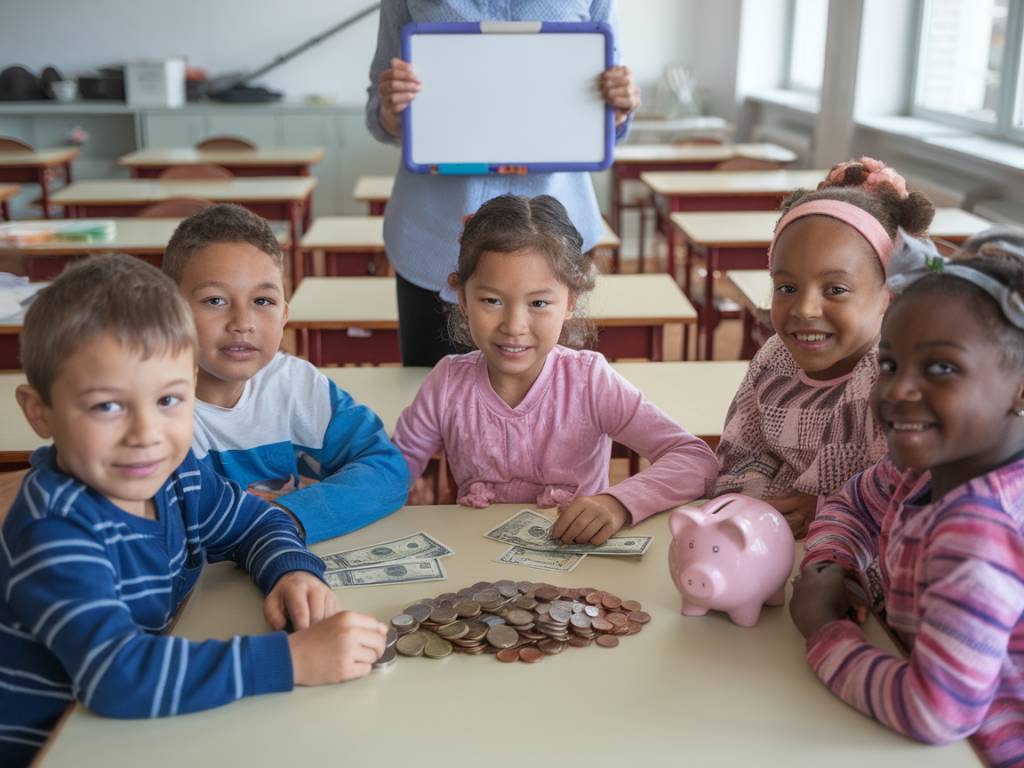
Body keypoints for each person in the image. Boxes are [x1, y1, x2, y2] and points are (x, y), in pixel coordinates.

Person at [0, 255, 387, 766]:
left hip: (140, 727)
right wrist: (291, 660)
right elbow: (117, 676)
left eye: (169, 400)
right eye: (107, 406)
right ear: (39, 412)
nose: (146, 435)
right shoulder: (55, 529)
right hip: (54, 746)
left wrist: (289, 571)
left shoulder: (175, 472)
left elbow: (256, 521)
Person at [790, 228, 1024, 766]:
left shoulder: (979, 531)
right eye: (890, 365)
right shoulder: (925, 469)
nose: (897, 390)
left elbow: (934, 711)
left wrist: (822, 628)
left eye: (941, 368)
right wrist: (833, 562)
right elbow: (848, 504)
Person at [391, 194, 718, 545]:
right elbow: (389, 472)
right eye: (492, 301)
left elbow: (695, 460)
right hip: (477, 570)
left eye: (539, 303)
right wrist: (400, 489)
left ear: (570, 303)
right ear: (463, 300)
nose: (514, 325)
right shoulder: (447, 384)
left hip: (578, 574)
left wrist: (618, 503)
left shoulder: (589, 381)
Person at [366, 0, 641, 366]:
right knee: (436, 402)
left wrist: (618, 108)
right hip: (436, 238)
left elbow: (612, 107)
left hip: (554, 238)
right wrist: (391, 112)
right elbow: (377, 107)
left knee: (553, 407)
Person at [713, 157, 935, 537]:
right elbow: (738, 457)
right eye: (786, 288)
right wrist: (762, 505)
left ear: (888, 295)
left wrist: (824, 507)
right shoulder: (773, 359)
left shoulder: (894, 379)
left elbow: (911, 494)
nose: (804, 309)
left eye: (835, 290)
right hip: (772, 543)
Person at [163, 204, 409, 544]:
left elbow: (387, 469)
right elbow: (183, 526)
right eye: (216, 300)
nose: (243, 323)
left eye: (263, 301)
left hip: (285, 567)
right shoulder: (156, 411)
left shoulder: (295, 385)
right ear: (171, 311)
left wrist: (289, 515)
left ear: (284, 316)